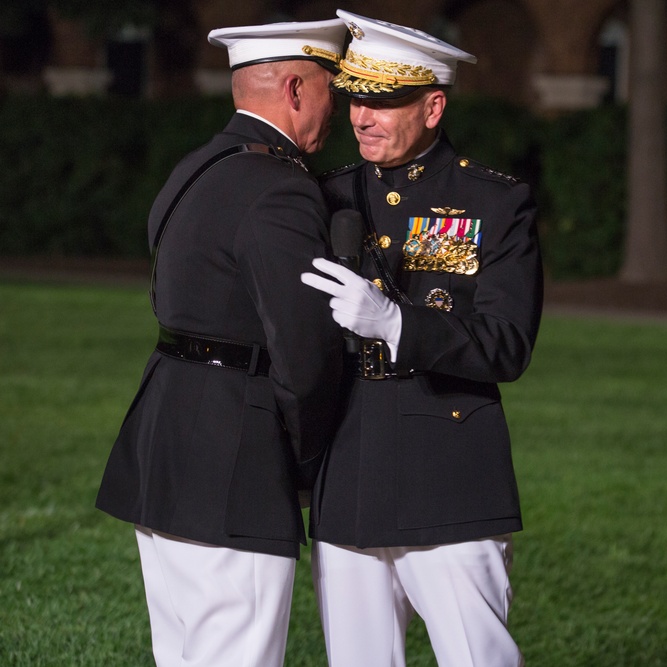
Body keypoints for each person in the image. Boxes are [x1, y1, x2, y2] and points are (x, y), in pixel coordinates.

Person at [95, 18, 347, 667]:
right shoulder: (281, 189)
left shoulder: (195, 168)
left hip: (166, 443)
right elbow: (305, 355)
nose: (338, 108)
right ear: (295, 88)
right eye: (331, 89)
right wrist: (312, 467)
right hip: (234, 459)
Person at [299, 10, 543, 667]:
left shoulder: (490, 204)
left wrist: (397, 324)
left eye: (384, 101)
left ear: (433, 106)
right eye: (355, 98)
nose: (362, 116)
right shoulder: (327, 198)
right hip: (346, 470)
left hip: (448, 472)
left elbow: (506, 342)